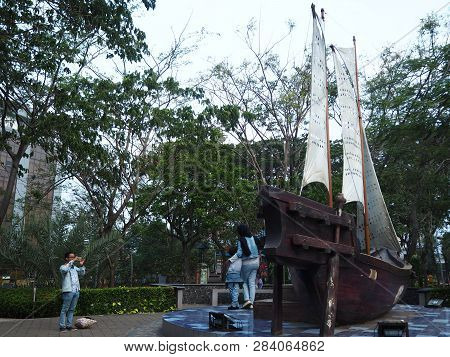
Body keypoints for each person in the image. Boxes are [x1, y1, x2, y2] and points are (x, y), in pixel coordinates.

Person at [229, 224, 259, 309]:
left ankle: (247, 300)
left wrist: (230, 260)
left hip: (246, 263)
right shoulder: (254, 238)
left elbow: (239, 253)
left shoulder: (241, 240)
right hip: (256, 262)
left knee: (244, 282)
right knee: (252, 283)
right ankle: (251, 304)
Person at [59, 252, 85, 332]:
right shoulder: (63, 267)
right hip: (68, 291)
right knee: (64, 309)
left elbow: (82, 273)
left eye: (74, 257)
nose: (73, 258)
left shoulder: (74, 267)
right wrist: (73, 261)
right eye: (71, 257)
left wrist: (81, 265)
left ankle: (69, 326)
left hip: (76, 291)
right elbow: (65, 270)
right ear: (67, 258)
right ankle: (62, 327)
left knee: (71, 309)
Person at [225, 246, 243, 310]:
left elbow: (227, 262)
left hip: (231, 274)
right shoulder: (241, 257)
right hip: (238, 274)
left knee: (232, 290)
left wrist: (227, 270)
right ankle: (236, 304)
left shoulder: (234, 256)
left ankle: (234, 304)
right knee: (235, 289)